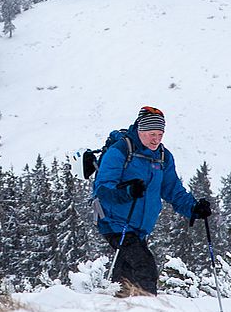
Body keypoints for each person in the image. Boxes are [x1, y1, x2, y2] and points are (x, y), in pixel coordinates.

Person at [91, 106, 212, 294]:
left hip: (139, 228)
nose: (156, 139)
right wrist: (129, 191)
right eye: (151, 134)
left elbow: (173, 190)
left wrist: (194, 208)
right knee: (145, 268)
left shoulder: (163, 157)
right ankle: (148, 311)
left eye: (160, 134)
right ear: (140, 130)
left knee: (126, 277)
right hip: (114, 223)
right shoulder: (120, 151)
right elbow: (103, 189)